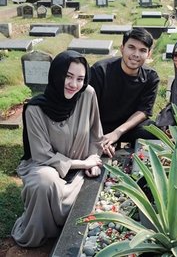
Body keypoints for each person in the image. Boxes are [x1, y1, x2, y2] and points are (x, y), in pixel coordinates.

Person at [12, 51, 109, 247]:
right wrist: (83, 163)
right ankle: (47, 230)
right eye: (68, 76)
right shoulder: (35, 109)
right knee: (44, 182)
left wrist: (93, 157)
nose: (74, 84)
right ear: (56, 75)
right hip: (45, 166)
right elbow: (41, 155)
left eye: (80, 78)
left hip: (80, 170)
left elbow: (95, 134)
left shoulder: (87, 95)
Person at [90, 28, 160, 153]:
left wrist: (117, 133)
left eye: (142, 50)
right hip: (100, 125)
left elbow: (143, 111)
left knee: (155, 131)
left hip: (128, 127)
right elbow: (89, 110)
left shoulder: (151, 77)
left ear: (149, 54)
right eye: (131, 47)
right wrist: (101, 138)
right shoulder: (100, 71)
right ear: (122, 48)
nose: (136, 54)